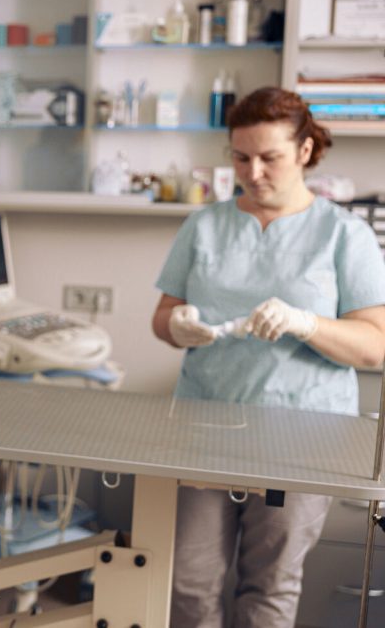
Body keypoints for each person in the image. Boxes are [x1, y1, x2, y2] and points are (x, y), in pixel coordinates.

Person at [151, 86, 385, 627]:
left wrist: (307, 323)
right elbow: (162, 318)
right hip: (203, 430)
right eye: (240, 158)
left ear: (304, 151)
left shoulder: (343, 234)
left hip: (301, 440)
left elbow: (375, 345)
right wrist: (177, 326)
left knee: (270, 585)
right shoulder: (204, 225)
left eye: (269, 157)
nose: (253, 172)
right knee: (187, 579)